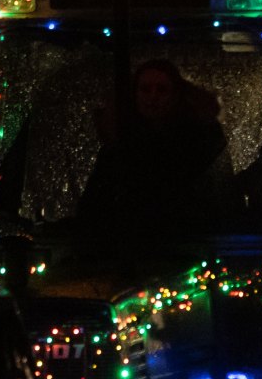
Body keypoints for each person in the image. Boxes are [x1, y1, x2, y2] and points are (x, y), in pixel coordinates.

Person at [70, 60, 230, 257]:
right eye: (145, 89)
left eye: (161, 90)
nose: (152, 97)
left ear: (175, 95)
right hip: (124, 253)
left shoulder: (200, 141)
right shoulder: (119, 142)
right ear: (134, 94)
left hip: (187, 250)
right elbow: (95, 204)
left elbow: (212, 199)